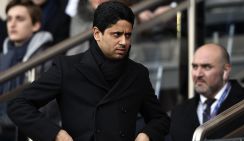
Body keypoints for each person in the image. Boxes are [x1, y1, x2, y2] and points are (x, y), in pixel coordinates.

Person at [7, 1, 170, 141]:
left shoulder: (137, 73)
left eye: (128, 35)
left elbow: (160, 119)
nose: (124, 42)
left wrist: (146, 135)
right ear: (97, 34)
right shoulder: (67, 68)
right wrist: (56, 134)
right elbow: (18, 106)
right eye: (117, 34)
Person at [169, 43, 244, 141]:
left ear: (226, 70)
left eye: (206, 67)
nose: (198, 74)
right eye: (195, 67)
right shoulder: (178, 113)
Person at [0, 0, 53, 140]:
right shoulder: (3, 58)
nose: (12, 24)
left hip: (28, 133)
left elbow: (47, 108)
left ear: (36, 25)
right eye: (9, 19)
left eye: (20, 19)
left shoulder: (47, 57)